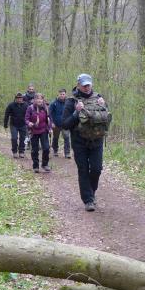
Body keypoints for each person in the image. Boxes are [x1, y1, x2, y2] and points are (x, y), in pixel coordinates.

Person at [61, 73, 109, 212]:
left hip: (97, 141)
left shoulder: (99, 98)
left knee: (96, 169)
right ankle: (88, 200)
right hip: (79, 142)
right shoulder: (71, 102)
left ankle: (91, 192)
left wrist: (104, 106)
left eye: (88, 85)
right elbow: (65, 124)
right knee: (83, 170)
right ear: (78, 85)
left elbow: (106, 119)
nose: (87, 87)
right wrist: (76, 113)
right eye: (84, 85)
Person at [25, 93, 52, 173]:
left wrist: (50, 128)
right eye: (37, 99)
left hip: (44, 130)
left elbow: (49, 119)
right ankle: (36, 166)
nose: (39, 100)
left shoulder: (46, 108)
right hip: (33, 131)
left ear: (43, 100)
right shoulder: (30, 108)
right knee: (35, 149)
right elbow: (26, 118)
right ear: (34, 100)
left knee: (46, 148)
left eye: (41, 99)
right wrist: (29, 123)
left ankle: (45, 164)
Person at [3, 92, 28, 158]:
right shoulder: (11, 105)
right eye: (18, 98)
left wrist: (29, 123)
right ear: (15, 98)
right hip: (13, 125)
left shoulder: (26, 105)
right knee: (14, 138)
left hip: (23, 124)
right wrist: (5, 125)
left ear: (22, 98)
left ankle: (21, 151)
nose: (19, 99)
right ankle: (14, 151)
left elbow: (29, 115)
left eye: (20, 98)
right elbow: (6, 115)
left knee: (22, 138)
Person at [49, 88, 71, 158]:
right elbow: (49, 113)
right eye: (61, 94)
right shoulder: (54, 103)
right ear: (58, 94)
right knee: (56, 138)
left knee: (66, 137)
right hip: (56, 124)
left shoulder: (68, 103)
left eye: (63, 94)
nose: (62, 95)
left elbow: (71, 112)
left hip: (65, 124)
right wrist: (51, 122)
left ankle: (67, 153)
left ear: (65, 94)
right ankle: (55, 150)